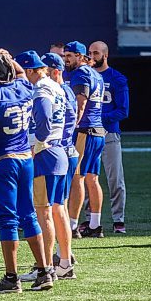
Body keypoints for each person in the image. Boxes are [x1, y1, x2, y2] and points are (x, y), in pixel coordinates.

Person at [0, 49, 53, 294]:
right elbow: (20, 73)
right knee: (28, 215)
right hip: (25, 158)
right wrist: (9, 58)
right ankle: (43, 271)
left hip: (3, 161)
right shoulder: (24, 88)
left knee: (7, 220)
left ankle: (11, 278)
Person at [14, 51, 74, 282]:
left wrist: (38, 144)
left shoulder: (41, 89)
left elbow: (44, 119)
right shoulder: (56, 85)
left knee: (44, 213)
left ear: (30, 70)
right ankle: (65, 263)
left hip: (45, 155)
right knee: (59, 211)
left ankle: (47, 266)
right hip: (59, 152)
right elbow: (69, 115)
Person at [80, 41, 129, 234]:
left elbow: (123, 110)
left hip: (108, 133)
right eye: (90, 53)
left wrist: (99, 119)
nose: (92, 56)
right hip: (88, 133)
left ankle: (118, 220)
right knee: (85, 177)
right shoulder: (83, 77)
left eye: (96, 53)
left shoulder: (116, 78)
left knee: (115, 179)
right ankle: (90, 219)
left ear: (105, 55)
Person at [64, 41, 106, 238]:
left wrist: (71, 126)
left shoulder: (81, 74)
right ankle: (95, 224)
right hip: (97, 131)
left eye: (70, 56)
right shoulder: (95, 74)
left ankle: (72, 226)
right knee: (92, 179)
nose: (66, 60)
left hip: (84, 131)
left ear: (81, 57)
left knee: (77, 179)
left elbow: (80, 104)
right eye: (65, 56)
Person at [41, 52, 79, 272]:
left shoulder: (56, 90)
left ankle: (52, 263)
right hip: (66, 151)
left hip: (58, 151)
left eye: (45, 71)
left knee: (51, 209)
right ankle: (63, 257)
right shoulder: (64, 90)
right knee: (58, 208)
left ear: (55, 71)